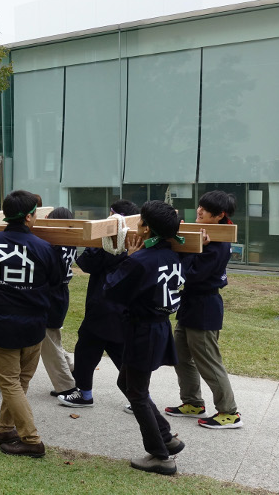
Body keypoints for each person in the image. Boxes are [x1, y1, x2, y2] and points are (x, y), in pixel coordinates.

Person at [0, 190, 62, 457]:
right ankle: (6, 429)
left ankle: (30, 439)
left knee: (12, 384)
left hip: (2, 326)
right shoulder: (44, 247)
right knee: (18, 383)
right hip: (34, 327)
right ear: (29, 217)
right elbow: (57, 280)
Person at [104, 200, 186, 476]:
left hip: (144, 330)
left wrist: (127, 257)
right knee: (125, 382)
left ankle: (160, 456)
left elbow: (111, 290)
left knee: (137, 393)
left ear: (147, 229)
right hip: (158, 326)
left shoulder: (141, 261)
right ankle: (166, 436)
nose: (136, 226)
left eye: (140, 222)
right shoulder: (173, 253)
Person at [165, 191, 243, 429]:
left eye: (205, 209)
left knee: (209, 362)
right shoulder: (206, 235)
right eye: (199, 206)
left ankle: (229, 413)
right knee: (180, 355)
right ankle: (192, 402)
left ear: (219, 216)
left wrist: (192, 249)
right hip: (191, 304)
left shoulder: (217, 243)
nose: (199, 211)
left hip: (205, 306)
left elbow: (191, 275)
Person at [58, 199, 140, 408]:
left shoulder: (110, 243)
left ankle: (84, 394)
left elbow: (85, 263)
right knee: (120, 352)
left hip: (102, 304)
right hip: (124, 307)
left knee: (86, 350)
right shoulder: (135, 242)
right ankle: (139, 397)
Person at [40, 207, 77, 397]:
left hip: (52, 295)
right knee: (53, 340)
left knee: (49, 345)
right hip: (61, 293)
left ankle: (67, 386)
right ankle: (71, 370)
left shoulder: (53, 245)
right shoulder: (69, 242)